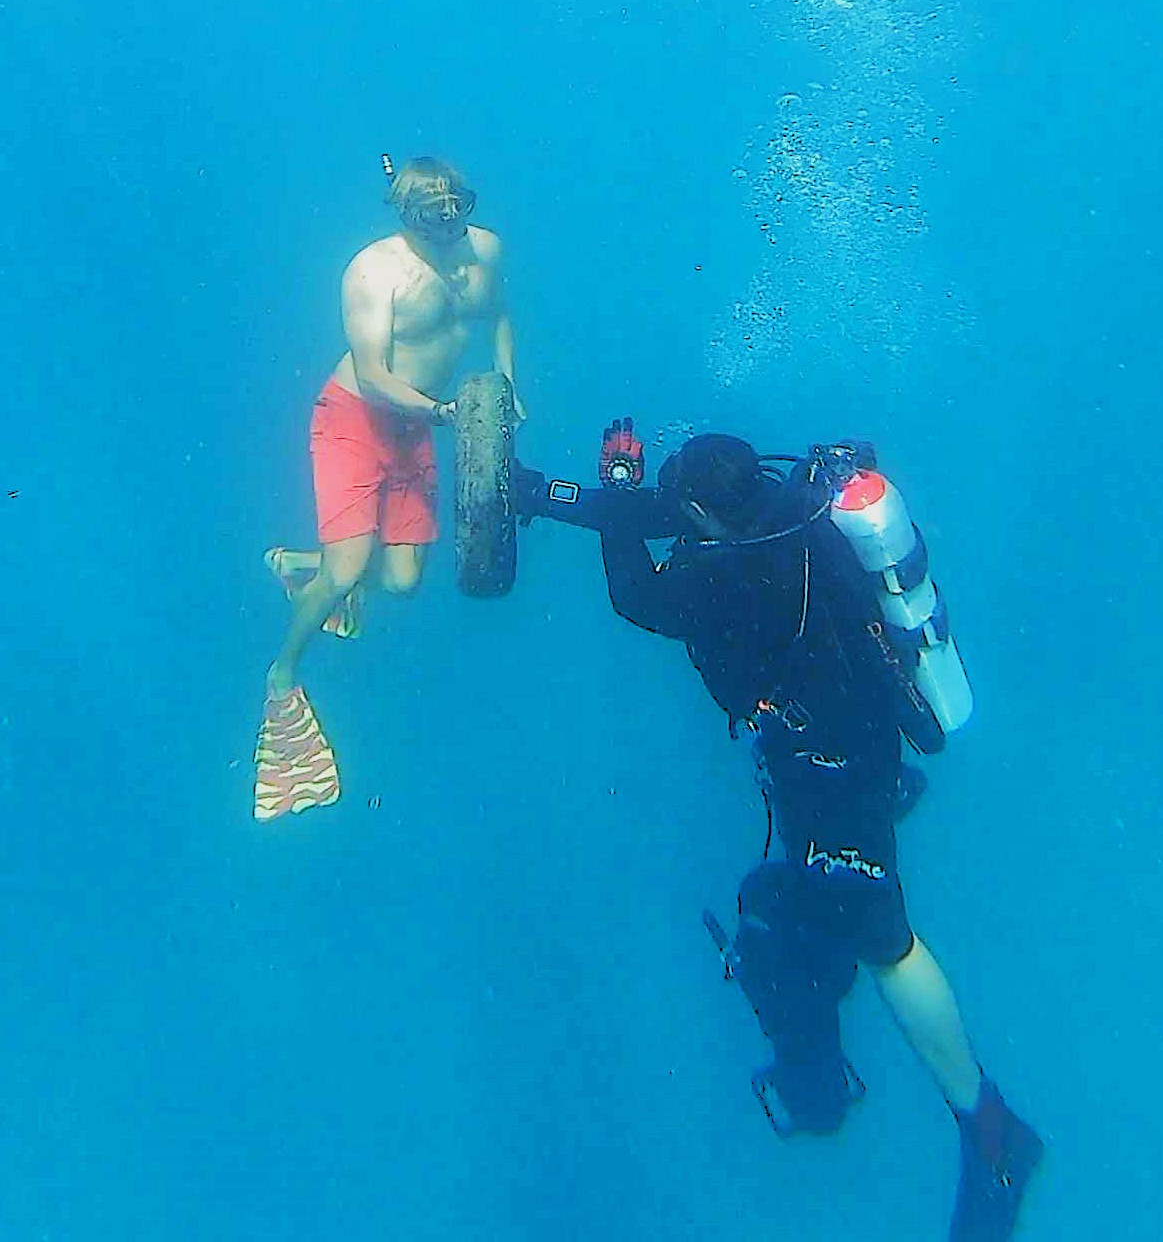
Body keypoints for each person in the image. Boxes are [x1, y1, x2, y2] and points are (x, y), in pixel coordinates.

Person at [514, 422, 1042, 1241]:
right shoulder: (796, 503)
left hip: (829, 774)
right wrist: (557, 497)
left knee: (886, 943)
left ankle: (990, 1127)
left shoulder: (713, 581)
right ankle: (867, 872)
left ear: (706, 514)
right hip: (869, 735)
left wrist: (613, 489)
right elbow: (665, 512)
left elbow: (632, 592)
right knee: (803, 905)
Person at [255, 156, 522, 822]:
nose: (451, 222)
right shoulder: (373, 272)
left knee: (401, 581)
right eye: (435, 212)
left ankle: (302, 566)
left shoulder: (485, 252)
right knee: (350, 570)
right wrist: (441, 414)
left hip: (420, 425)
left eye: (458, 205)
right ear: (407, 213)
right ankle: (283, 675)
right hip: (355, 417)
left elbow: (500, 318)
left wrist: (507, 384)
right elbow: (373, 374)